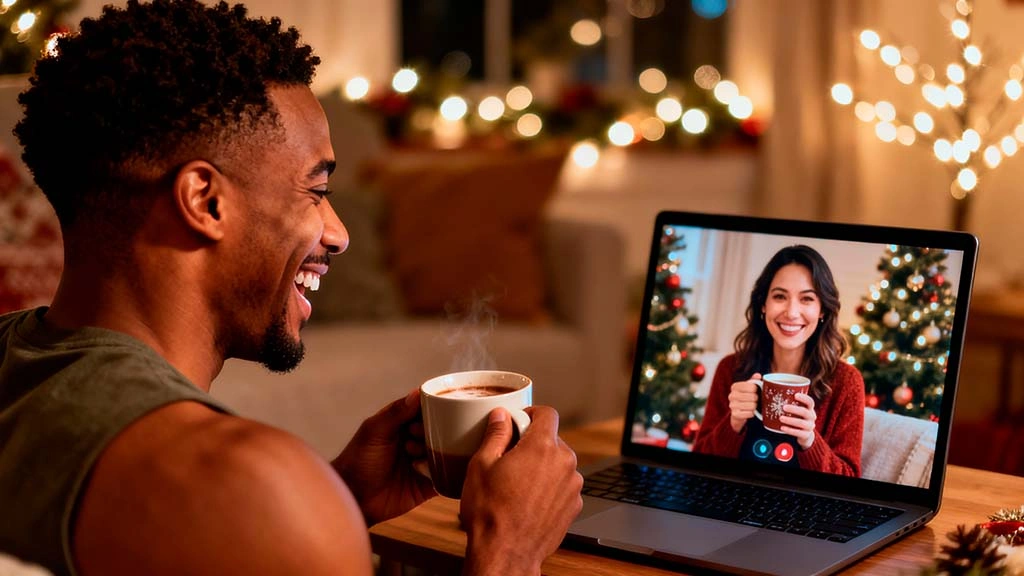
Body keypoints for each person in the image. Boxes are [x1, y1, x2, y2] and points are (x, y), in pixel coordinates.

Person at [0, 2, 583, 575]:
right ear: (205, 201)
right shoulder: (241, 481)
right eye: (316, 192)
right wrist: (509, 550)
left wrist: (337, 500)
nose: (339, 234)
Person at [692, 245, 864, 476]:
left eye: (807, 299)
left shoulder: (846, 382)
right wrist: (732, 424)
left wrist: (810, 441)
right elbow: (697, 467)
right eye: (780, 296)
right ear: (763, 304)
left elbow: (849, 480)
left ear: (822, 309)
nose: (791, 312)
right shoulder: (731, 368)